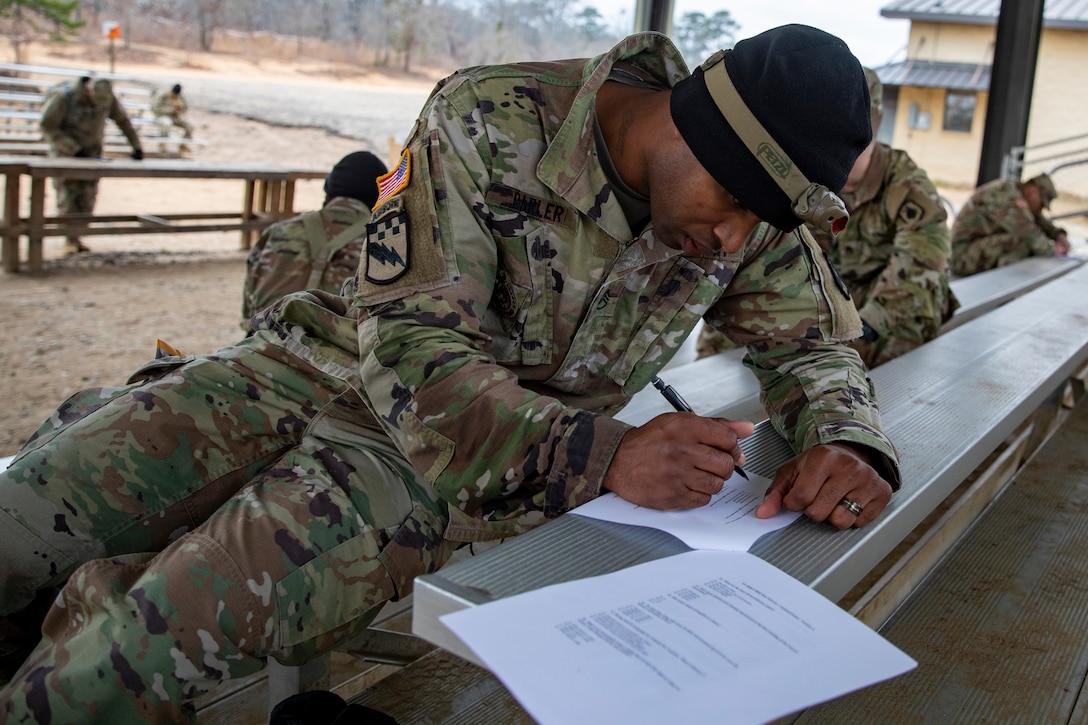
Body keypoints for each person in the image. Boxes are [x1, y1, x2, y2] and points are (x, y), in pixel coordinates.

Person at [0, 26, 900, 722]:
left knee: (143, 642)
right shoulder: (493, 116)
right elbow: (415, 348)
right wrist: (608, 454)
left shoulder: (753, 214)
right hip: (304, 367)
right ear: (687, 123)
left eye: (760, 222)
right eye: (733, 202)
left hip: (447, 468)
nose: (734, 239)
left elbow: (810, 344)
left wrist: (847, 437)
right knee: (26, 513)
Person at [696, 67, 957, 368]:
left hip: (882, 301)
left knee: (900, 331)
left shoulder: (908, 187)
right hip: (828, 292)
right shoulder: (806, 176)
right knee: (738, 324)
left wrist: (867, 325)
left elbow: (922, 264)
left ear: (872, 130)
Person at [241, 150, 388, 327]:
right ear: (381, 196)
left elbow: (248, 312)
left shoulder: (278, 232)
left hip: (262, 346)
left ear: (329, 189)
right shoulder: (381, 242)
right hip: (335, 353)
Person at [39, 76, 145, 255]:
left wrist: (136, 146)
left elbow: (123, 120)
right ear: (88, 89)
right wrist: (71, 147)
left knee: (88, 197)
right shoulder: (64, 97)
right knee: (69, 197)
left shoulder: (106, 98)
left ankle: (78, 236)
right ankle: (69, 240)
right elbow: (47, 125)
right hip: (66, 157)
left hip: (92, 156)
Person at [951, 172, 1071, 276]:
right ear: (1033, 192)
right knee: (1020, 242)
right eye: (1041, 204)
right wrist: (1052, 249)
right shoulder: (1005, 195)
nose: (1040, 209)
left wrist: (1058, 235)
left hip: (974, 249)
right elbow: (1028, 233)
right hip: (961, 256)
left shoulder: (1017, 192)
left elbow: (1037, 219)